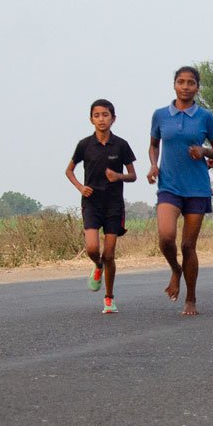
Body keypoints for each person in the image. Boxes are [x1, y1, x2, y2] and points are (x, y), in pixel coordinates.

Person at [148, 67, 213, 316]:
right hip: (169, 185)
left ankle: (191, 299)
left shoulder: (205, 117)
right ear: (174, 85)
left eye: (191, 83)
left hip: (197, 188)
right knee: (166, 237)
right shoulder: (160, 115)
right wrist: (153, 165)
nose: (186, 86)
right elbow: (153, 145)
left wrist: (204, 151)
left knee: (188, 245)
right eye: (181, 82)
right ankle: (175, 269)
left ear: (197, 87)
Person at [65, 99, 137, 313]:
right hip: (91, 203)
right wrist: (80, 187)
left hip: (114, 205)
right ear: (91, 119)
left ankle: (109, 298)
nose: (101, 119)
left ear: (113, 118)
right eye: (97, 115)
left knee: (110, 254)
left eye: (105, 115)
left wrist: (118, 176)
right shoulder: (84, 145)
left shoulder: (121, 145)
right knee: (93, 249)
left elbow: (133, 175)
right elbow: (69, 170)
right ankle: (97, 266)